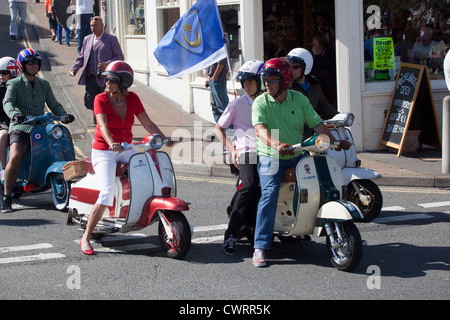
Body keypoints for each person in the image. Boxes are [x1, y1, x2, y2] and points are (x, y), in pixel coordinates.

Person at [251, 58, 349, 267]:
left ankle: (312, 226)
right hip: (271, 156)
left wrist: (336, 142)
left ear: (284, 81)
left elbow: (317, 125)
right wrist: (276, 144)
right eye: (265, 80)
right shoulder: (261, 102)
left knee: (319, 182)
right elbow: (260, 130)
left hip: (297, 152)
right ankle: (260, 246)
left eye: (272, 80)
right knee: (269, 194)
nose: (267, 84)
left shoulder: (300, 100)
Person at [79, 61, 169, 255]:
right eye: (106, 78)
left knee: (147, 172)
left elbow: (147, 122)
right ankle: (86, 237)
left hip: (126, 148)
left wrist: (164, 138)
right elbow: (102, 126)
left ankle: (131, 213)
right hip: (104, 151)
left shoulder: (133, 98)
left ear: (123, 83)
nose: (107, 82)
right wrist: (111, 142)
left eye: (112, 79)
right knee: (106, 191)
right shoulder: (100, 99)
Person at [2, 49, 74, 213]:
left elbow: (53, 104)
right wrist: (15, 115)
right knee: (15, 155)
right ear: (22, 65)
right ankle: (6, 197)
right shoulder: (14, 84)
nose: (34, 65)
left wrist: (64, 115)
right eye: (30, 63)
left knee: (57, 145)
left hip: (40, 126)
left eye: (36, 62)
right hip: (21, 126)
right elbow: (8, 103)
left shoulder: (44, 84)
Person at [215, 60, 264, 255]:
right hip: (247, 151)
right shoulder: (237, 104)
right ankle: (231, 234)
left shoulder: (270, 102)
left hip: (270, 150)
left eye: (251, 81)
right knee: (251, 186)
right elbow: (219, 129)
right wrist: (231, 149)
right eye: (244, 82)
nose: (246, 86)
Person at [70, 16, 124, 123]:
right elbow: (82, 57)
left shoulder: (111, 39)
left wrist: (107, 64)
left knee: (107, 102)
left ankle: (101, 123)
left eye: (96, 25)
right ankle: (102, 118)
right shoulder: (87, 39)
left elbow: (120, 57)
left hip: (106, 79)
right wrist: (74, 69)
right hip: (91, 77)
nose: (93, 28)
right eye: (91, 25)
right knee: (89, 102)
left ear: (102, 26)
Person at [286, 48, 338, 140]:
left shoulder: (314, 85)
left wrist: (339, 118)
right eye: (290, 67)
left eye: (296, 67)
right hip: (290, 135)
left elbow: (324, 105)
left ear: (306, 67)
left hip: (310, 135)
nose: (292, 71)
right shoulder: (285, 87)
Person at [0, 57, 19, 177]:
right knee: (3, 136)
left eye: (4, 73)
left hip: (19, 121)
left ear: (12, 72)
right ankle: (3, 169)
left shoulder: (19, 85)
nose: (1, 75)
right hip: (3, 122)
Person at [205, 33, 230, 124]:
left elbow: (222, 60)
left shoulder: (221, 39)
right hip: (213, 79)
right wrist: (209, 77)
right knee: (215, 106)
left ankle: (229, 133)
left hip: (218, 80)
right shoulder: (213, 40)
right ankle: (220, 130)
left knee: (222, 107)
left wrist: (215, 76)